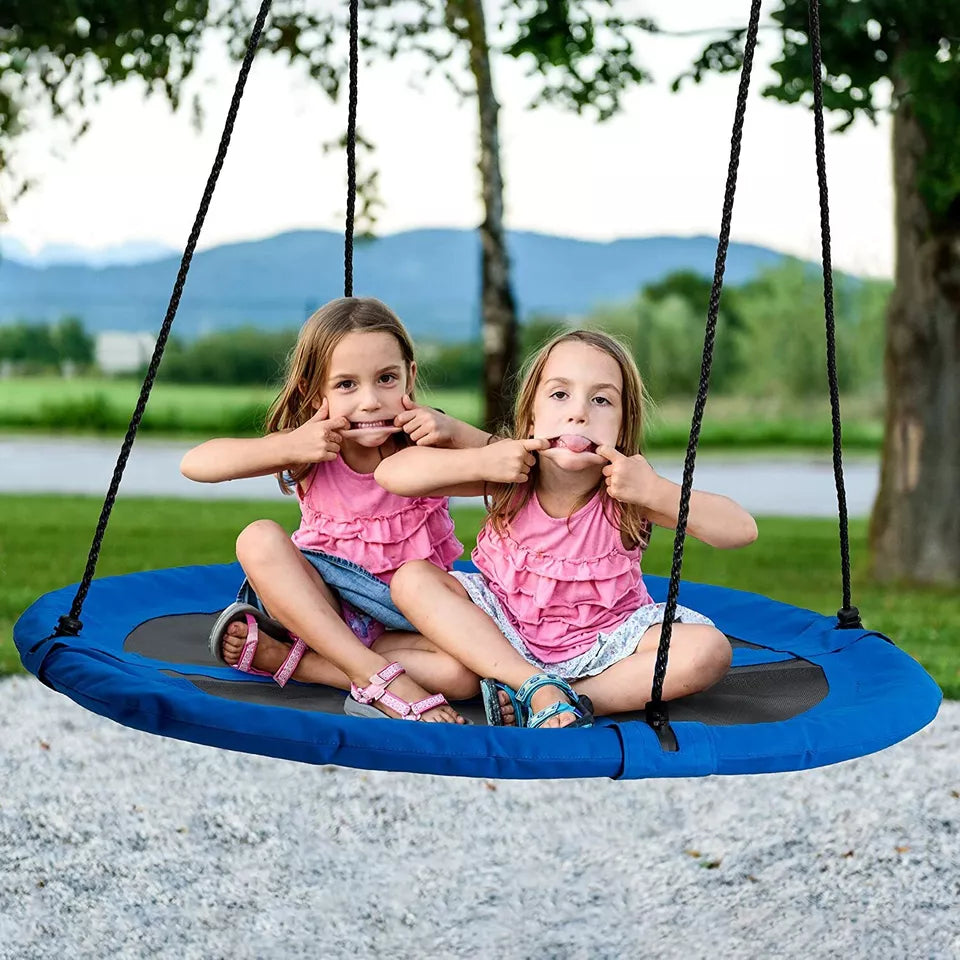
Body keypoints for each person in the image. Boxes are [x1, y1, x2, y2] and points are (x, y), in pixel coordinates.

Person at [376, 329, 758, 729]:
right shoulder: (510, 470)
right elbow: (393, 474)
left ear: (624, 424)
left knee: (708, 650)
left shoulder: (629, 490)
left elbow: (740, 530)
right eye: (560, 395)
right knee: (412, 579)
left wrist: (657, 491)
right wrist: (480, 463)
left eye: (601, 400)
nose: (579, 413)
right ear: (532, 413)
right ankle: (532, 685)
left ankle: (576, 700)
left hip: (606, 641)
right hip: (501, 628)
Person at [180, 297, 490, 723]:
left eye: (386, 379)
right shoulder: (313, 446)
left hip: (404, 618)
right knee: (258, 538)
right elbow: (195, 464)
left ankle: (301, 664)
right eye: (346, 385)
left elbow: (513, 469)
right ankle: (376, 677)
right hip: (318, 607)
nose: (370, 401)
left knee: (461, 677)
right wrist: (286, 446)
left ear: (410, 376)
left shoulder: (429, 443)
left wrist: (458, 432)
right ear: (314, 390)